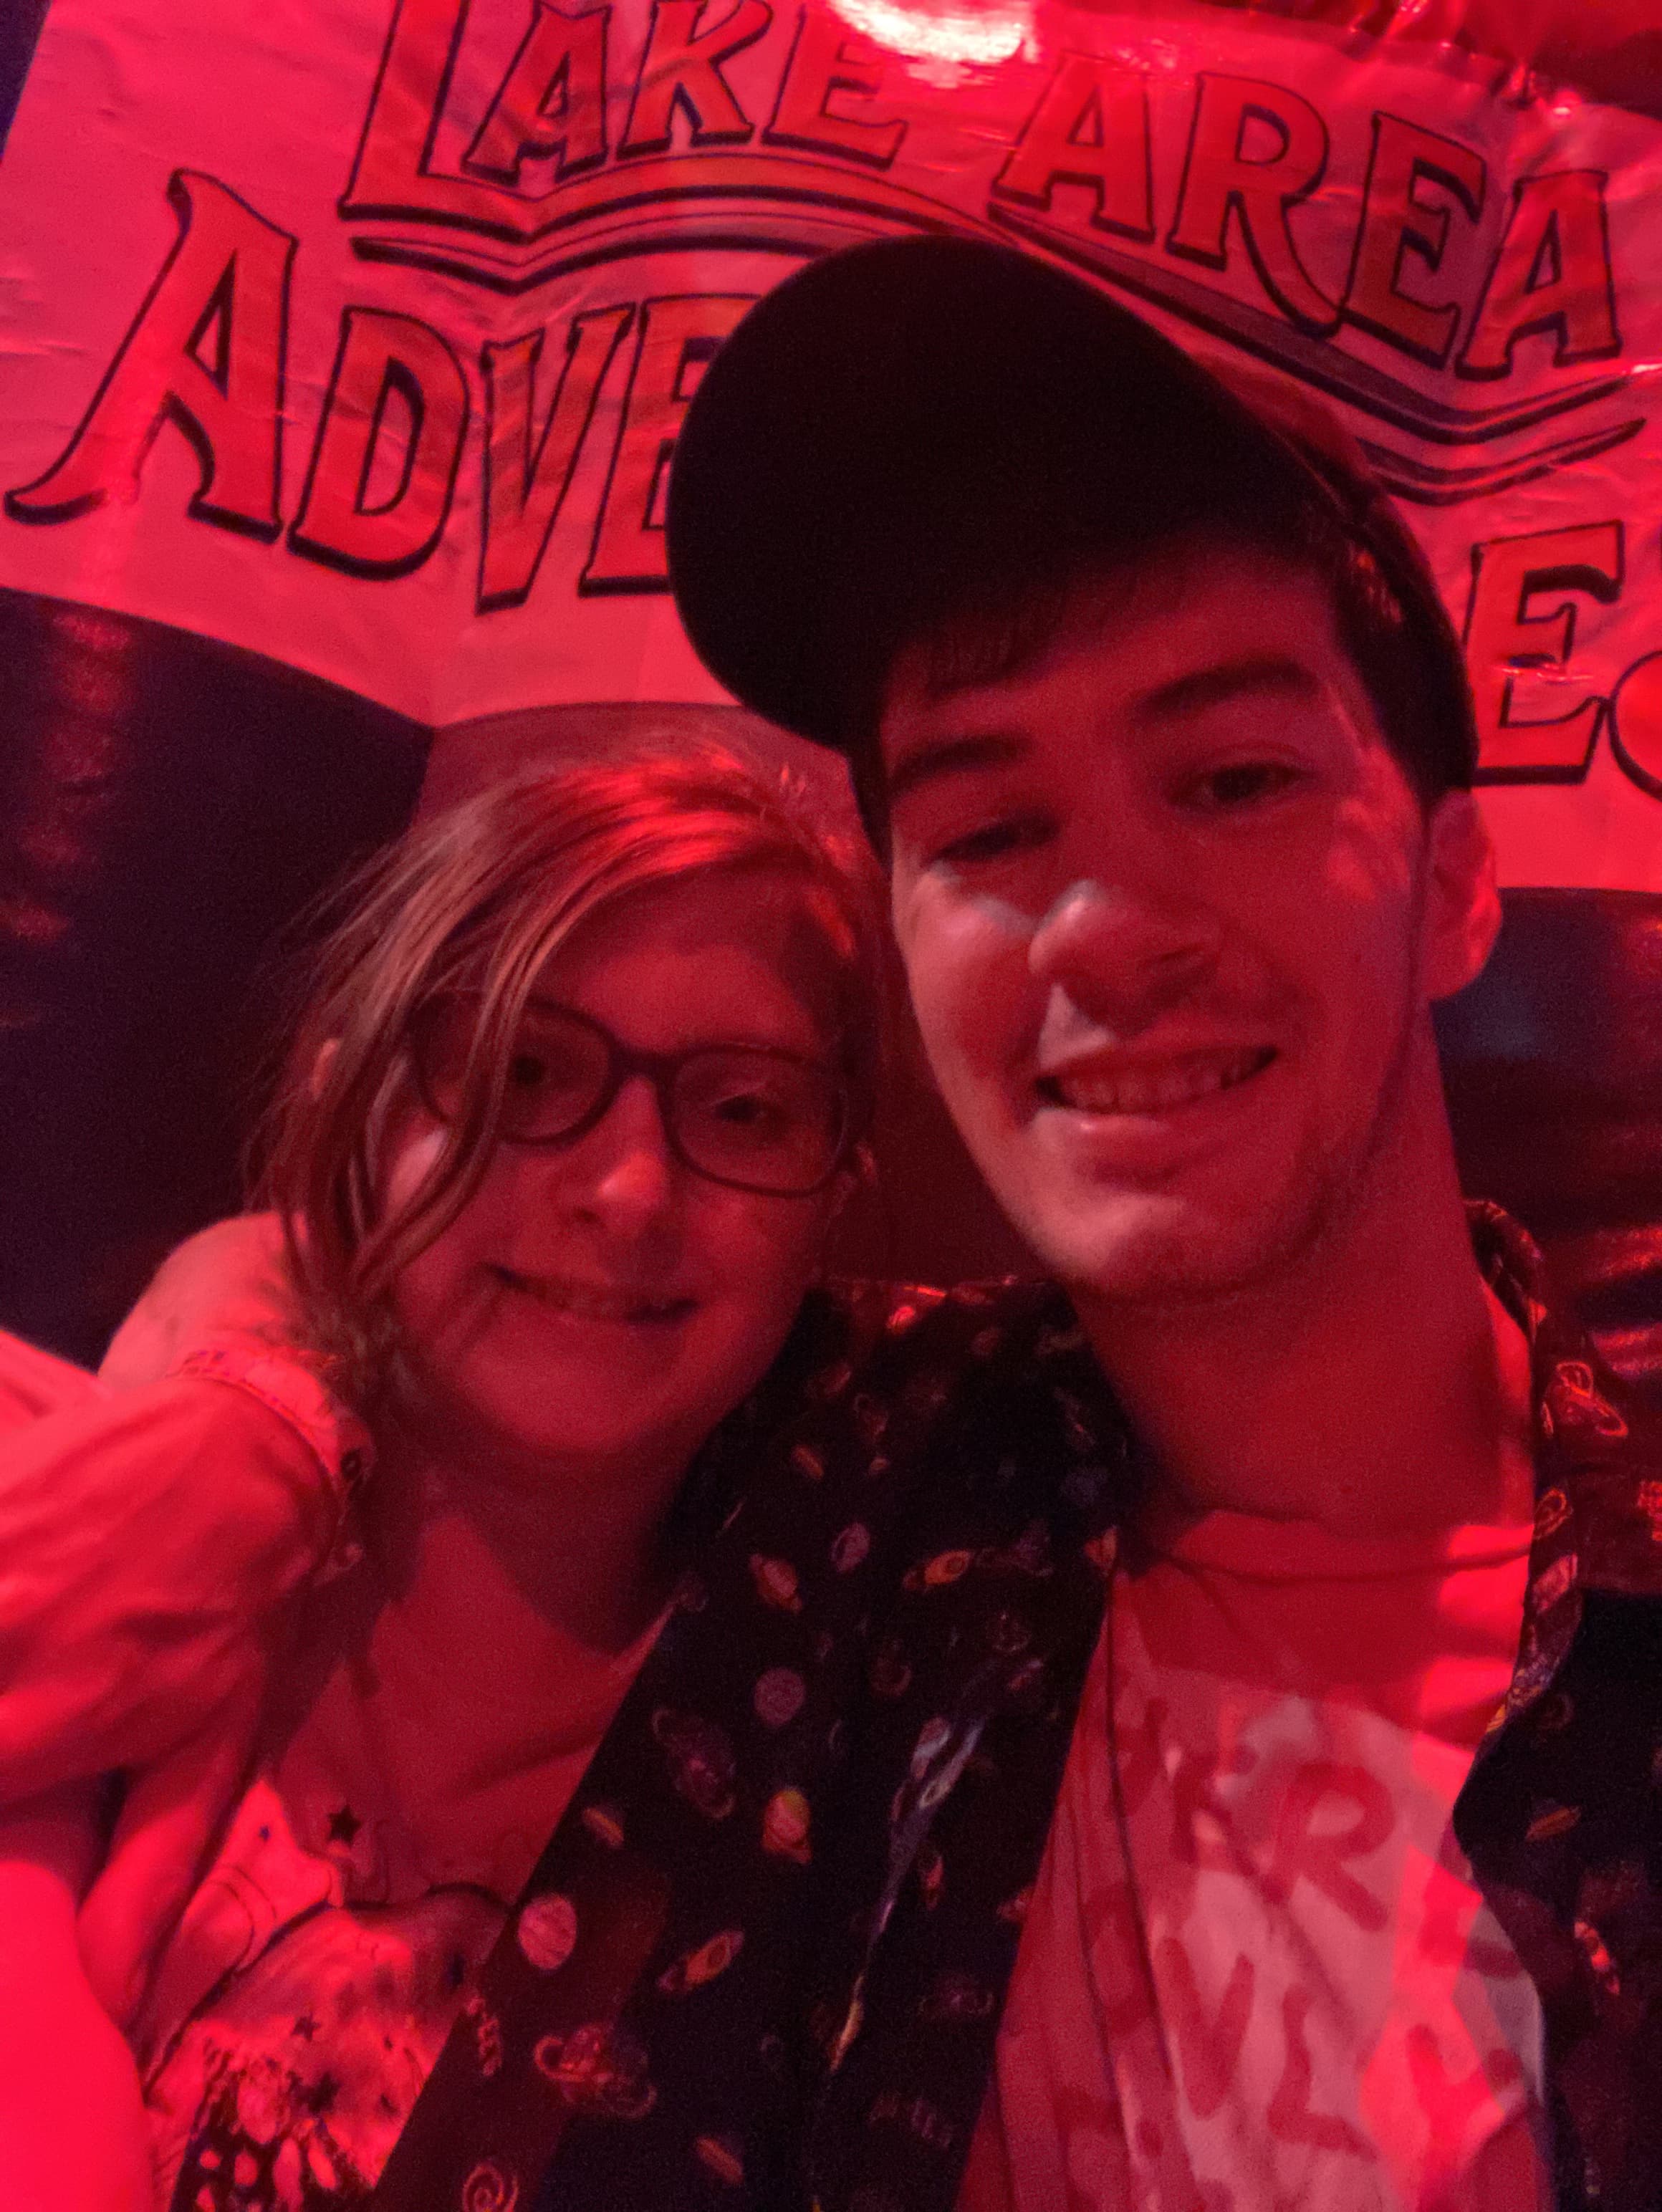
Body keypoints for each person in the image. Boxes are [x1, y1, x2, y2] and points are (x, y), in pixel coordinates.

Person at [7, 237, 1662, 2211]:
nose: (1100, 927)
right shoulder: (877, 1473)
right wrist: (262, 1422)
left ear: (1455, 887)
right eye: (988, 831)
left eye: (1231, 778)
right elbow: (401, 1282)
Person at [0, 741, 912, 2203]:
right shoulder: (68, 1488)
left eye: (743, 1108)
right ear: (352, 1112)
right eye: (520, 1068)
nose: (628, 1192)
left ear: (833, 1207)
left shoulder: (849, 1750)